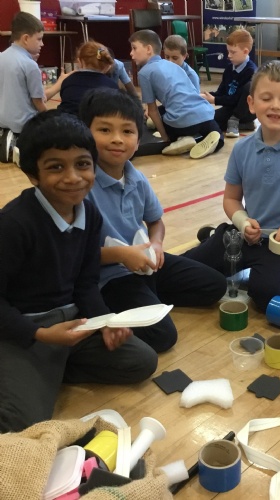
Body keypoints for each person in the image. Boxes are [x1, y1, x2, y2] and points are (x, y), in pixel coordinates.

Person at [0, 110, 158, 432]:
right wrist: (40, 335)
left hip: (73, 323)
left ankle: (50, 369)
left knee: (142, 361)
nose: (73, 177)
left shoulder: (89, 214)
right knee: (19, 424)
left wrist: (104, 321)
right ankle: (32, 368)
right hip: (24, 329)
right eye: (56, 167)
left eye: (83, 164)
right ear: (32, 174)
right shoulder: (14, 224)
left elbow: (86, 283)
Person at [80, 88, 227, 352]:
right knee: (163, 336)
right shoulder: (81, 187)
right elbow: (76, 255)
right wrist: (122, 255)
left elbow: (155, 222)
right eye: (104, 130)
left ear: (138, 141)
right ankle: (124, 308)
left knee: (215, 286)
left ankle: (148, 300)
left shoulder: (136, 178)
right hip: (110, 277)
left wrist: (156, 244)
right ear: (86, 134)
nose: (117, 139)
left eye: (127, 131)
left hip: (145, 265)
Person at [184, 60, 280, 311]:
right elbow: (231, 199)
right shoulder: (242, 149)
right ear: (251, 103)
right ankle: (215, 239)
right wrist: (243, 222)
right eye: (266, 98)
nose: (275, 105)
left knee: (267, 296)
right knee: (187, 269)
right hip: (249, 236)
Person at [129, 29, 223, 159]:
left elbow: (153, 110)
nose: (131, 53)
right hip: (205, 114)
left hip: (181, 123)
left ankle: (180, 138)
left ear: (149, 49)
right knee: (214, 130)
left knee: (162, 120)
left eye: (134, 48)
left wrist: (166, 138)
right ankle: (218, 141)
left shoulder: (144, 73)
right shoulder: (175, 66)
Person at [0, 12, 70, 163]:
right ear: (26, 38)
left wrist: (58, 84)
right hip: (23, 125)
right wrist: (51, 119)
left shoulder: (2, 57)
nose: (42, 44)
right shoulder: (30, 65)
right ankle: (20, 143)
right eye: (39, 39)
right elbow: (38, 102)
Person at [200, 28, 256, 138]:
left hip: (246, 112)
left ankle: (236, 120)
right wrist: (205, 96)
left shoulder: (251, 71)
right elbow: (221, 93)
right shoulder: (229, 69)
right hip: (230, 107)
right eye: (228, 51)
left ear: (245, 52)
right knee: (208, 120)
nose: (229, 55)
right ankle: (244, 125)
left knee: (250, 86)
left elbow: (235, 100)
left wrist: (214, 100)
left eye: (233, 52)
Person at [58, 41, 118, 116]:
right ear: (106, 65)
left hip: (65, 120)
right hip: (96, 121)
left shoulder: (68, 81)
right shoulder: (112, 85)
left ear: (80, 62)